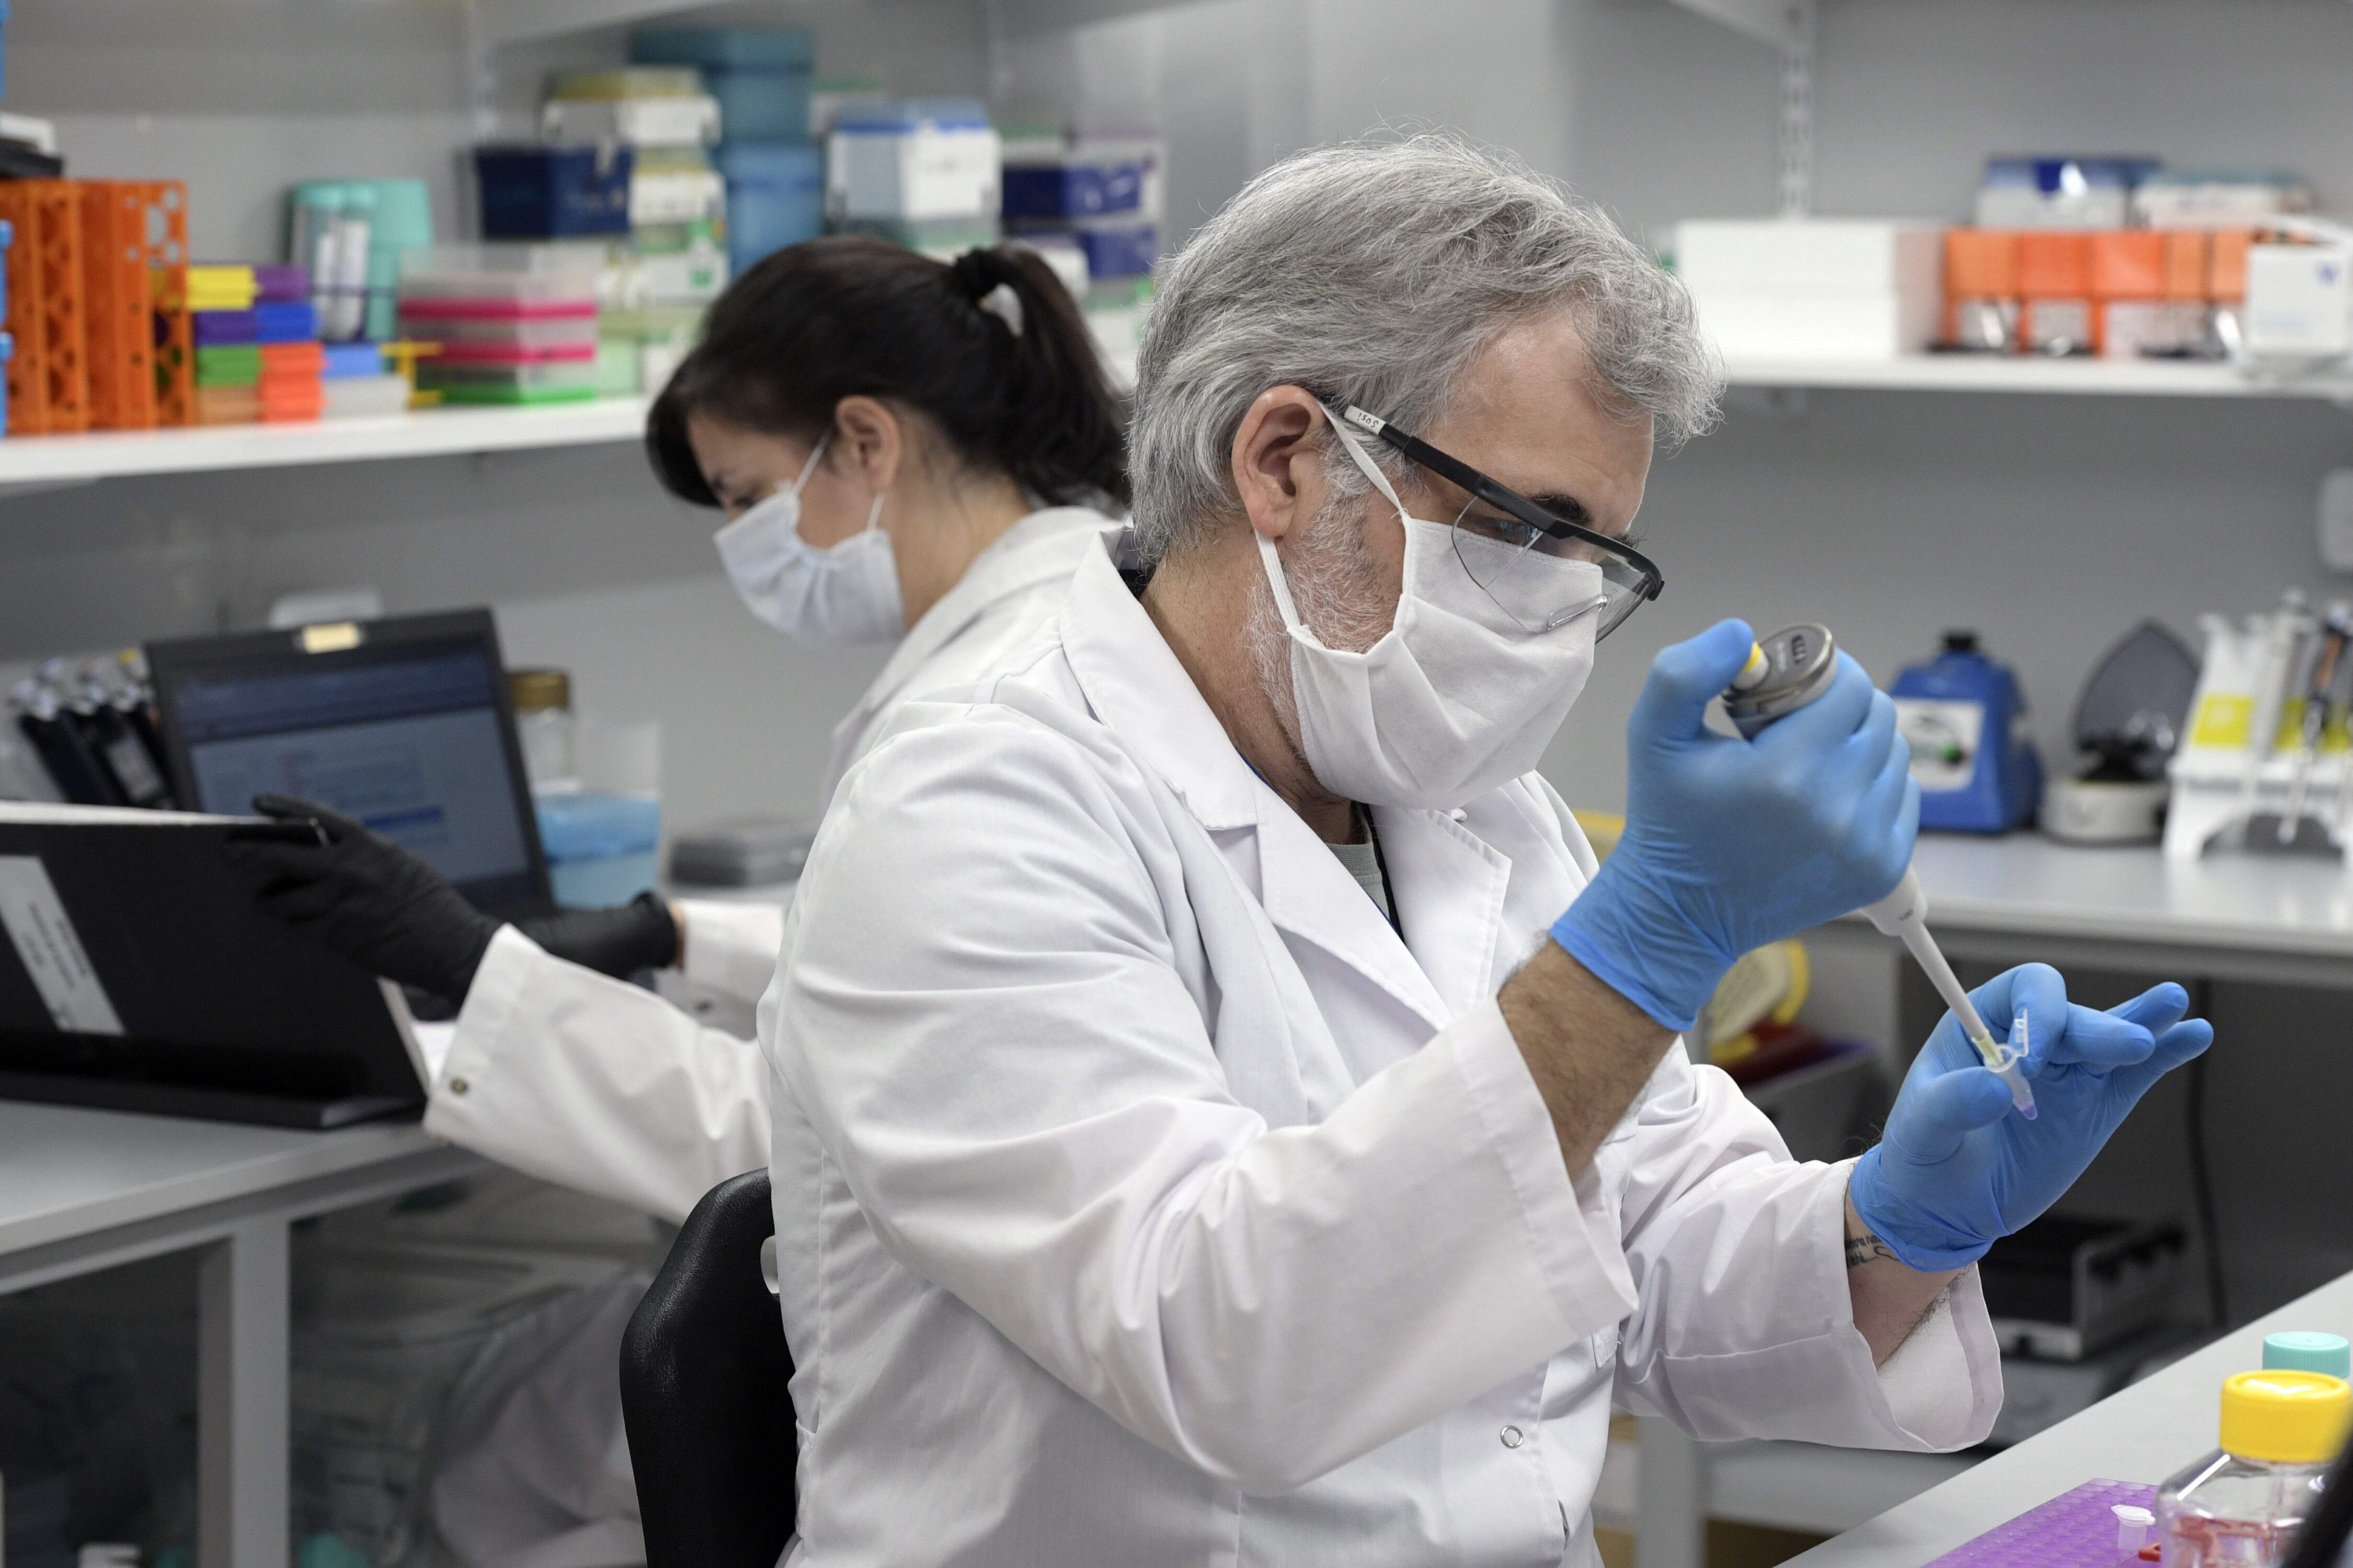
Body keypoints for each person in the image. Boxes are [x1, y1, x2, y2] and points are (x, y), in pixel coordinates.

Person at [764, 138, 2214, 1565]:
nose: (1561, 607)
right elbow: (1227, 1348)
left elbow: (1636, 1246)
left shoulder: (1443, 788)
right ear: (1280, 459)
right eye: (1529, 528)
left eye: (1604, 558)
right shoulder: (971, 801)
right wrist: (1650, 943)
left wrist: (1894, 1223)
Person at [232, 236, 1128, 1224]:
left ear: (867, 440)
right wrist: (680, 933)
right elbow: (928, 994)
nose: (739, 540)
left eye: (748, 496)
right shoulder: (1080, 619)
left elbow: (801, 1140)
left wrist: (476, 970)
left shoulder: (973, 726)